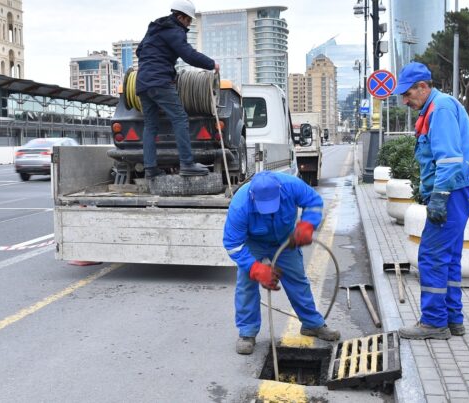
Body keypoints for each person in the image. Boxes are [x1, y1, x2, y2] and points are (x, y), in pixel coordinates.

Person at [395, 62, 469, 340]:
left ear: (423, 86)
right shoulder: (436, 106)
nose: (405, 101)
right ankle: (453, 319)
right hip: (458, 190)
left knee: (430, 256)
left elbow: (450, 158)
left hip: (452, 192)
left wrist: (439, 196)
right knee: (449, 258)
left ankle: (433, 322)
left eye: (408, 94)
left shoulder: (440, 109)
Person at [223, 171, 340, 354]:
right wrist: (255, 268)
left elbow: (314, 202)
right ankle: (247, 332)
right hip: (255, 242)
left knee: (297, 280)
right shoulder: (240, 205)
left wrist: (307, 225)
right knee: (246, 284)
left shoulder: (291, 185)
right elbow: (232, 244)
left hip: (286, 239)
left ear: (280, 191)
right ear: (253, 197)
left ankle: (311, 324)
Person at [135, 0, 219, 177]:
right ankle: (187, 164)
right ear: (180, 17)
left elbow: (139, 51)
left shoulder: (155, 29)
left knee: (150, 125)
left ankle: (150, 169)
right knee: (180, 118)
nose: (188, 24)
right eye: (188, 21)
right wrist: (211, 64)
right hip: (160, 82)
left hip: (142, 83)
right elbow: (188, 55)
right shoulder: (174, 31)